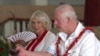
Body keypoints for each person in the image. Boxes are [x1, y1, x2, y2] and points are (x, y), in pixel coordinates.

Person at [16, 4, 100, 56]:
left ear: (67, 20)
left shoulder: (88, 38)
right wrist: (24, 52)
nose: (55, 23)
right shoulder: (60, 36)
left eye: (57, 20)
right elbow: (47, 54)